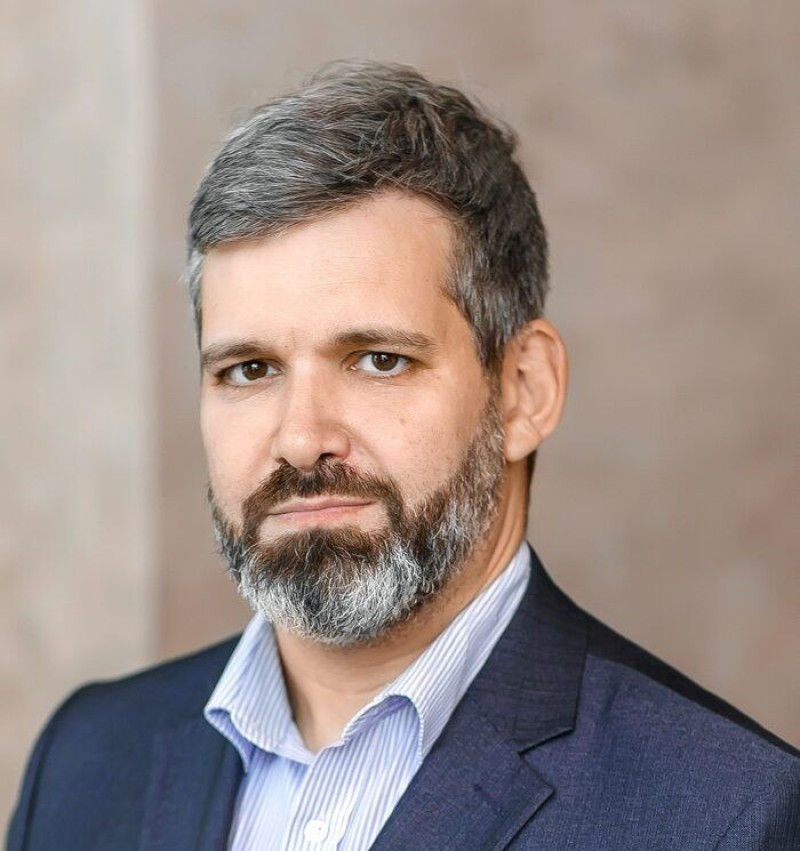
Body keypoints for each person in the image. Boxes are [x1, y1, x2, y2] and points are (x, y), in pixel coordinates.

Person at [7, 60, 799, 851]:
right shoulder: (88, 760)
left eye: (378, 359)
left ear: (524, 390)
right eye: (249, 369)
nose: (300, 438)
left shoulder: (724, 814)